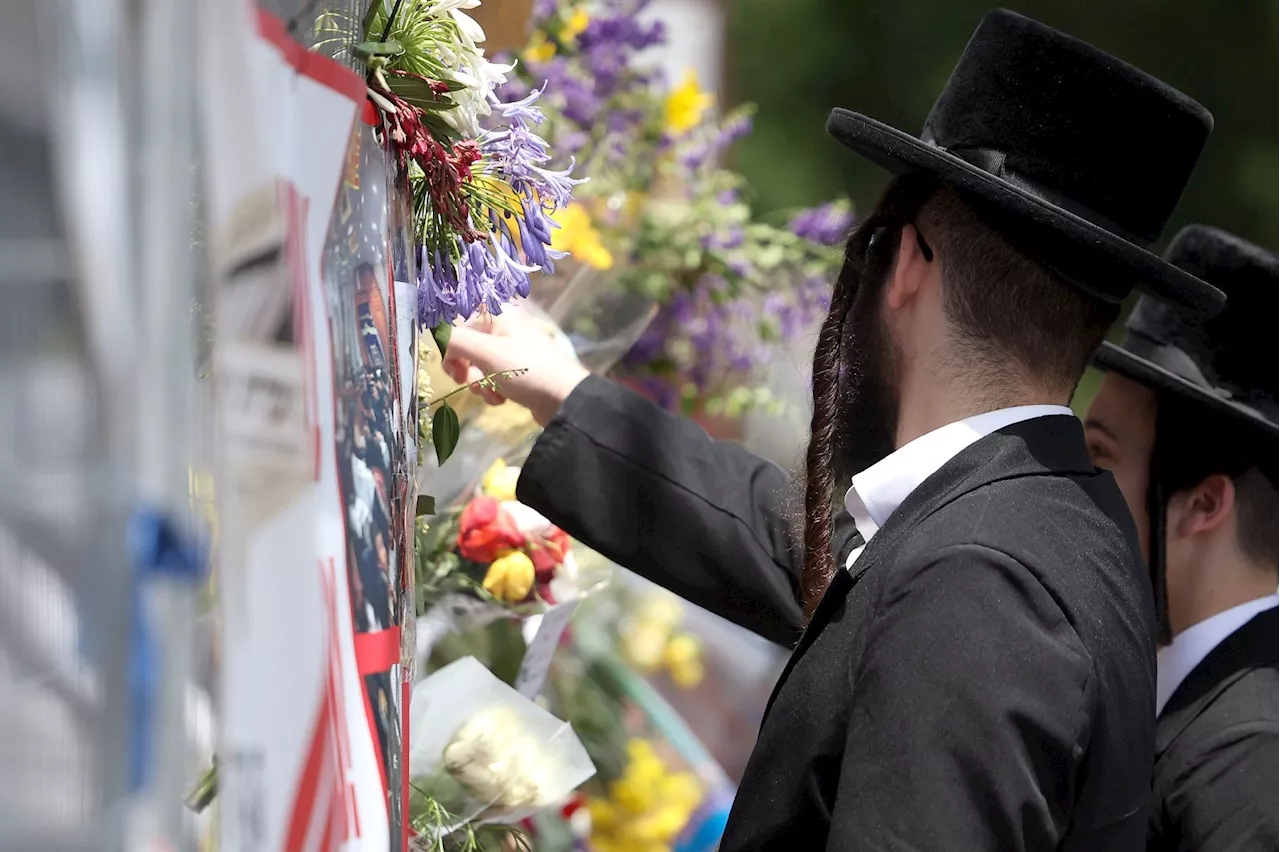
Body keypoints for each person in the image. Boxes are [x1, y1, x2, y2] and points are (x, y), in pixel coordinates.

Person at [446, 11, 1223, 850]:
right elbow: (819, 559)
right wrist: (568, 395)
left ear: (909, 264)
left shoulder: (978, 581)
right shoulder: (1049, 521)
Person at [1084, 226, 1280, 852]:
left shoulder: (1244, 759)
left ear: (1202, 504)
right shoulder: (1189, 696)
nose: (1069, 484)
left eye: (1099, 457)